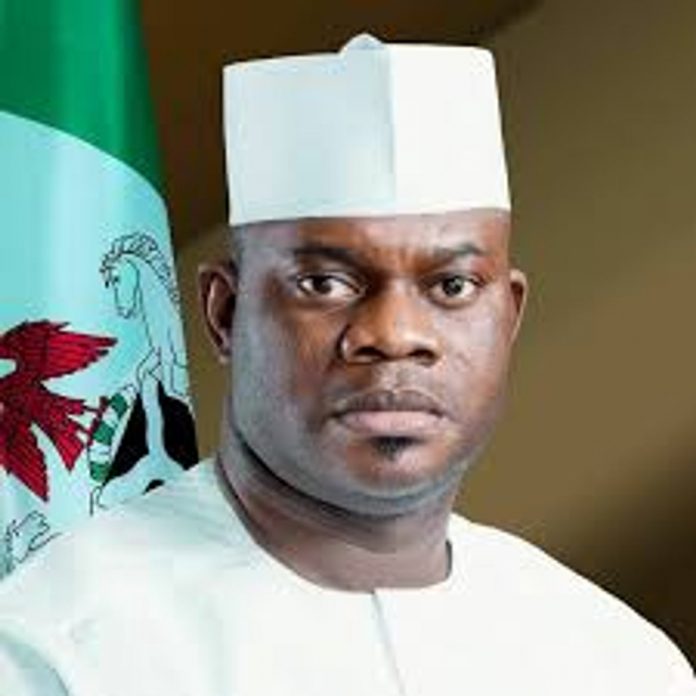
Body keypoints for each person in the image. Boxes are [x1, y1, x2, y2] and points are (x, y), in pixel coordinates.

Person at [0, 32, 693, 696]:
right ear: (226, 312)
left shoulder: (618, 662)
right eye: (325, 284)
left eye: (452, 286)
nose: (393, 335)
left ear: (508, 317)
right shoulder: (58, 650)